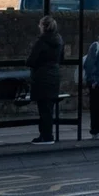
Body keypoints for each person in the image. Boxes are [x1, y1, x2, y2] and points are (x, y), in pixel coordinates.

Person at [26, 16, 63, 145]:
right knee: (48, 108)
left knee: (43, 110)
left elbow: (31, 60)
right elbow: (61, 58)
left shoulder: (41, 41)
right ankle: (47, 134)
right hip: (54, 77)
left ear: (43, 26)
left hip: (41, 78)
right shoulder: (58, 40)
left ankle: (46, 136)